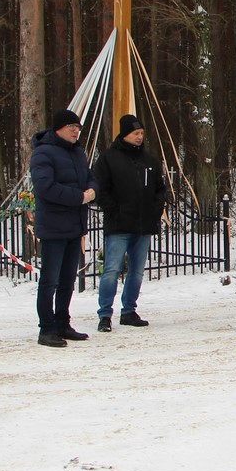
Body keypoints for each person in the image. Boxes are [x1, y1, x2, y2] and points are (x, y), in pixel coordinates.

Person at [92, 114, 168, 332]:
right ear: (125, 134)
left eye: (141, 133)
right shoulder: (109, 159)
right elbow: (100, 189)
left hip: (143, 225)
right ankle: (105, 314)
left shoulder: (149, 160)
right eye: (135, 133)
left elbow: (160, 189)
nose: (139, 137)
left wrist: (156, 209)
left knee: (137, 271)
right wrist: (114, 210)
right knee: (111, 270)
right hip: (119, 226)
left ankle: (129, 311)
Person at [30, 108, 97, 347]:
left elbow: (90, 176)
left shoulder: (77, 152)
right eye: (72, 127)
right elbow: (45, 187)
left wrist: (93, 190)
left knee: (68, 279)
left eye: (78, 128)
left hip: (74, 225)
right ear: (58, 128)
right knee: (50, 280)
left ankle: (62, 322)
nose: (76, 131)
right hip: (53, 226)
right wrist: (78, 197)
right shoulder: (43, 153)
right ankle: (46, 328)